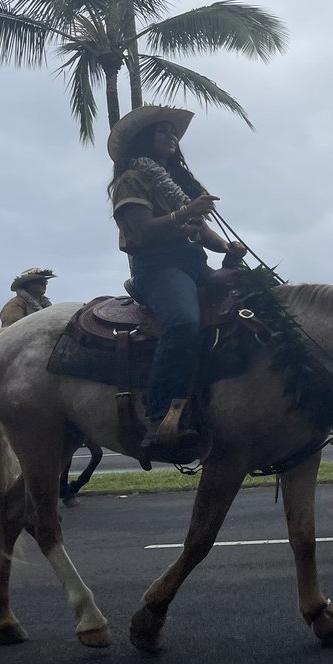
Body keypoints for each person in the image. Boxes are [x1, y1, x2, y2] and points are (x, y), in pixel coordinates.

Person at [108, 105, 247, 454]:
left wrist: (226, 245)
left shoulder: (177, 184)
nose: (171, 137)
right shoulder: (132, 180)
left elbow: (201, 232)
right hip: (157, 269)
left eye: (173, 132)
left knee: (257, 297)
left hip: (194, 264)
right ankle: (156, 416)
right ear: (144, 140)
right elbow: (140, 233)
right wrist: (187, 211)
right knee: (184, 323)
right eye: (162, 131)